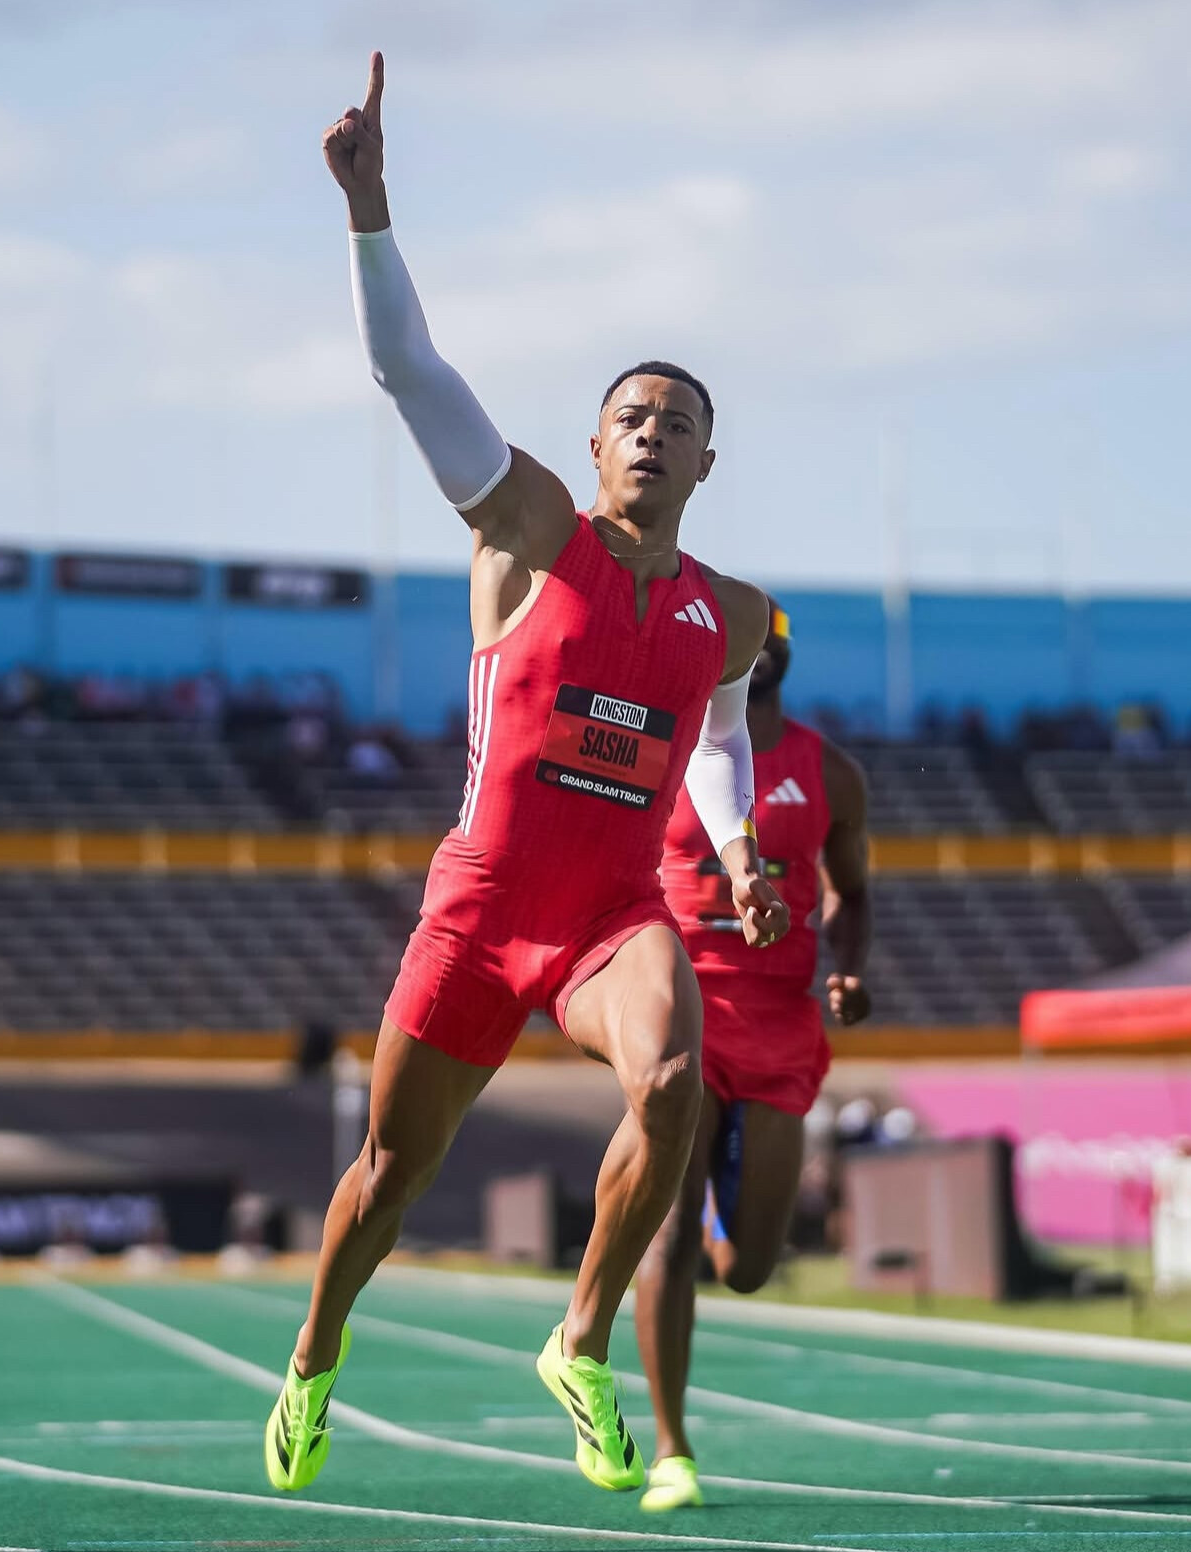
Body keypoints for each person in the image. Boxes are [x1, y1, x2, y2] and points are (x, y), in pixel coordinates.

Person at [265, 51, 790, 1498]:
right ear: (596, 445)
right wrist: (369, 208)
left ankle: (578, 1342)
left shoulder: (734, 615)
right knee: (393, 1176)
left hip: (614, 916)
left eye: (679, 421)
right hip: (484, 912)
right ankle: (315, 1353)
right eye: (633, 415)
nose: (654, 432)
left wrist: (737, 853)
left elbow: (720, 734)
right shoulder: (529, 527)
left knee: (674, 1080)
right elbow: (409, 372)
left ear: (707, 461)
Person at [634, 603, 873, 1512]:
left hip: (779, 1021)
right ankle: (672, 1449)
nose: (759, 649)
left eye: (771, 637)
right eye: (748, 636)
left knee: (749, 1269)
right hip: (680, 1005)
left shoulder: (831, 772)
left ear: (785, 653)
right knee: (666, 1236)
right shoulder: (665, 748)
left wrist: (850, 969)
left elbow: (854, 893)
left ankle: (714, 1215)